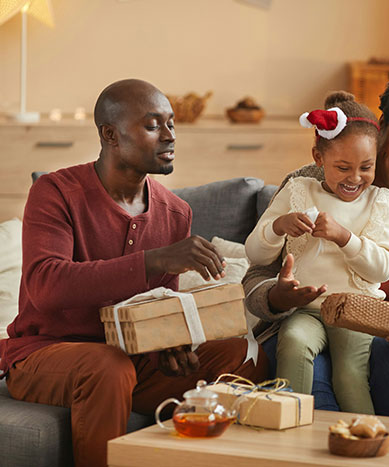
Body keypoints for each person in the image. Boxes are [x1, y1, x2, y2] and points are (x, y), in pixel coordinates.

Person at [0, 79, 268, 467]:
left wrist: (170, 346)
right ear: (110, 134)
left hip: (131, 360)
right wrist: (155, 261)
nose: (169, 135)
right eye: (153, 125)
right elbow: (46, 285)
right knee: (107, 367)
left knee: (245, 353)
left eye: (171, 124)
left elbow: (155, 307)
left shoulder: (176, 212)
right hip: (44, 355)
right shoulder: (55, 192)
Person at [244, 71, 389, 419]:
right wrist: (276, 296)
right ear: (381, 129)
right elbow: (259, 268)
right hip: (305, 322)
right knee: (313, 386)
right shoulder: (306, 185)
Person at [245, 92, 389, 414]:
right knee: (294, 343)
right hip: (306, 310)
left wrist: (346, 238)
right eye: (342, 167)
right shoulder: (298, 190)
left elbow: (383, 269)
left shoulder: (380, 201)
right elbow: (255, 254)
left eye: (365, 167)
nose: (355, 178)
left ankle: (364, 439)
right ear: (318, 157)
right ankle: (286, 432)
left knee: (350, 374)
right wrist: (278, 227)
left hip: (356, 310)